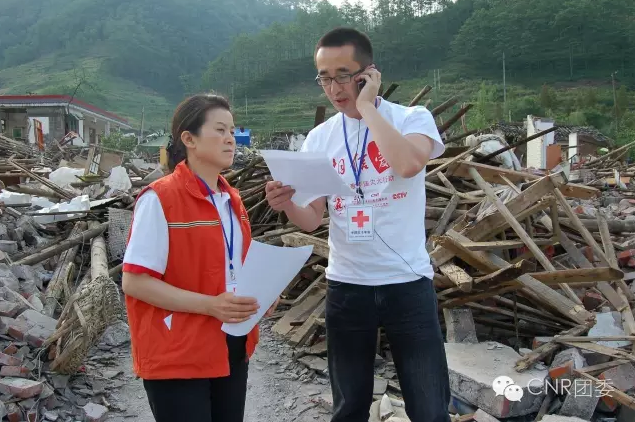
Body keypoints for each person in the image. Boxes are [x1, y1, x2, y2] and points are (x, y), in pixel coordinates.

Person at [264, 27, 451, 422]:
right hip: (348, 287)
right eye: (325, 78)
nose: (334, 88)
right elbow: (312, 218)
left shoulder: (412, 118)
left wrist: (367, 108)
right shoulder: (319, 139)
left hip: (407, 283)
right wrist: (287, 206)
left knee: (429, 406)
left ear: (369, 74)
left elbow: (407, 164)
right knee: (349, 407)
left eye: (344, 75)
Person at [122, 93, 278, 422]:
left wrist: (262, 297)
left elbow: (236, 269)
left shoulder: (231, 199)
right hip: (177, 353)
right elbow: (135, 282)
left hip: (231, 346)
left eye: (232, 131)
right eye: (219, 130)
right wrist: (210, 305)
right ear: (189, 139)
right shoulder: (160, 199)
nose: (230, 139)